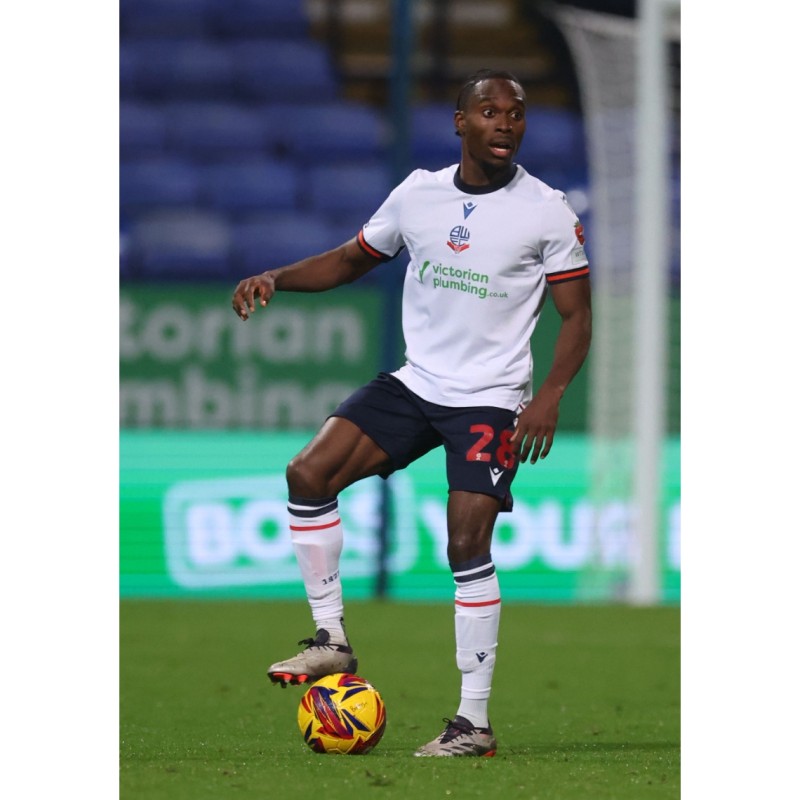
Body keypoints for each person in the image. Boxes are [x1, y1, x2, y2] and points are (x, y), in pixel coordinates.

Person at [231, 68, 592, 757]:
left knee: (465, 545)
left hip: (489, 396)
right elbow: (348, 260)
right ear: (461, 122)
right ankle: (331, 639)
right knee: (308, 475)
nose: (506, 123)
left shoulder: (546, 210)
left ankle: (473, 724)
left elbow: (577, 316)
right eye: (490, 112)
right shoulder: (418, 195)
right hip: (416, 383)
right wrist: (277, 276)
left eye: (516, 114)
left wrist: (547, 397)